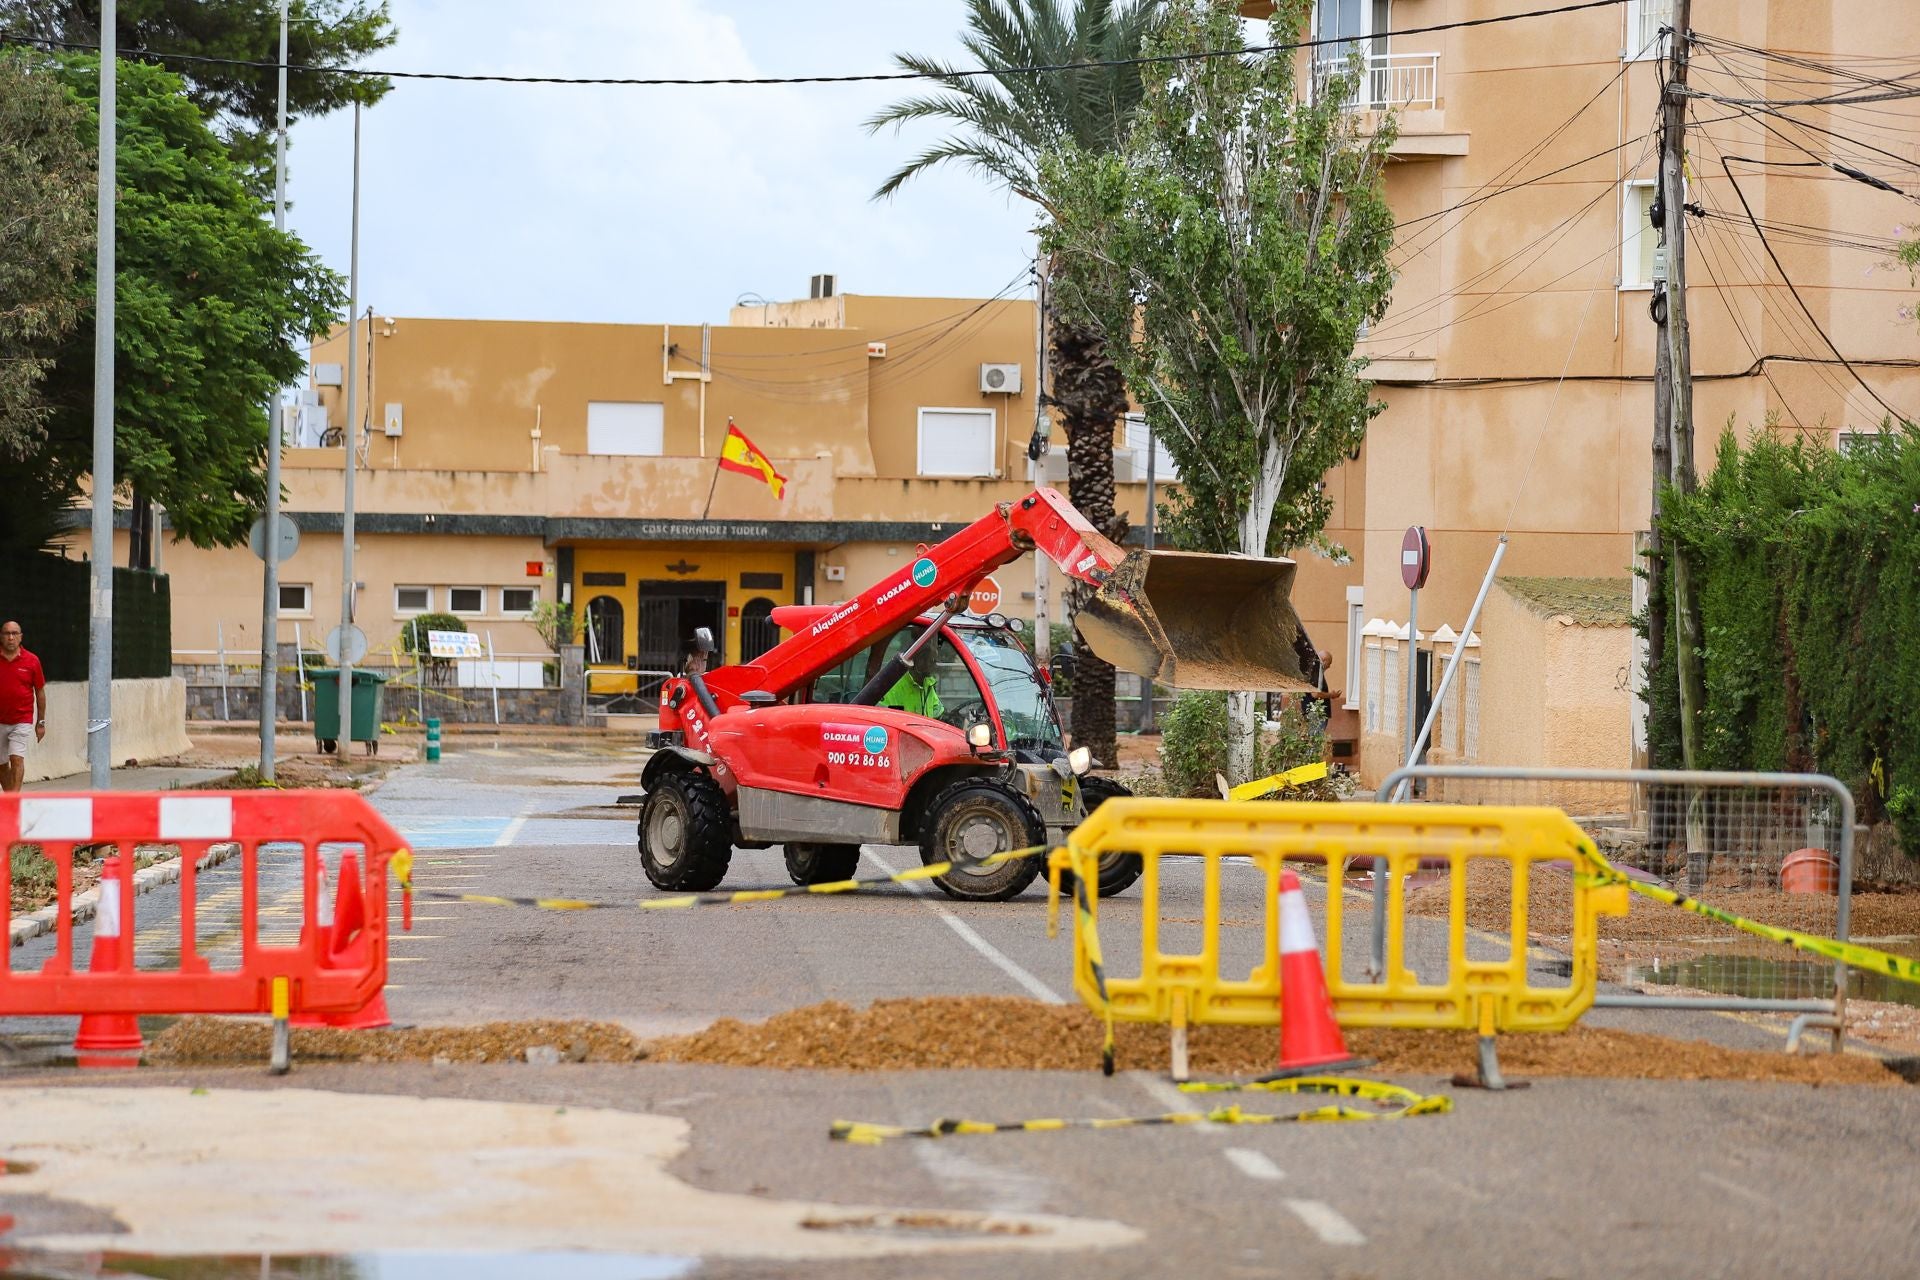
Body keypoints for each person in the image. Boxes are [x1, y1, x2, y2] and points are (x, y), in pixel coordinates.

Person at [0, 620, 47, 792]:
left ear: (21, 637)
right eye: (6, 633)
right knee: (2, 764)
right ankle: (11, 797)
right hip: (0, 720)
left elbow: (40, 692)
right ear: (1, 637)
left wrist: (40, 722)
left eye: (14, 633)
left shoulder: (32, 661)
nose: (10, 637)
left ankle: (14, 801)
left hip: (22, 719)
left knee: (16, 758)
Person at [880, 636, 944, 719]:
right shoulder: (895, 686)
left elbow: (937, 712)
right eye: (930, 660)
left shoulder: (927, 684)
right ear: (916, 660)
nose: (932, 665)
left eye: (934, 661)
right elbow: (890, 719)